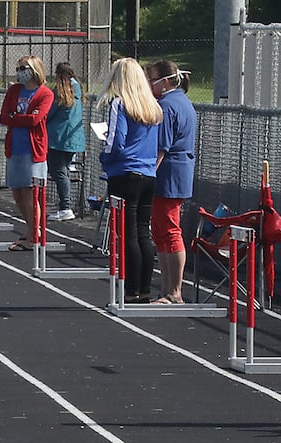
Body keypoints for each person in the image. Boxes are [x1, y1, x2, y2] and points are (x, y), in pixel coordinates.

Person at [99, 57, 163, 304]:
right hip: (148, 174)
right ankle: (144, 289)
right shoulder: (152, 106)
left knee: (127, 234)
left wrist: (104, 157)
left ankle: (131, 290)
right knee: (142, 233)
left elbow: (116, 141)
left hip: (125, 174)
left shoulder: (119, 104)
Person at [147, 59, 197, 304]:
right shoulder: (179, 102)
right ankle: (167, 289)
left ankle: (174, 291)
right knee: (161, 231)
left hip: (168, 174)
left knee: (169, 230)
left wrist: (147, 176)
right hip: (174, 173)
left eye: (151, 79)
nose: (148, 84)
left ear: (165, 81)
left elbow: (161, 148)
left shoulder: (167, 106)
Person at [0, 54, 53, 249]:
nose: (20, 72)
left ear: (34, 70)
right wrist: (20, 117)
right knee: (17, 192)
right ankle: (31, 228)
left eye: (24, 68)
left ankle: (33, 235)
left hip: (33, 150)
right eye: (19, 69)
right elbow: (5, 116)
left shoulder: (45, 93)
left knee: (31, 193)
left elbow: (34, 120)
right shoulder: (14, 90)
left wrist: (18, 117)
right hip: (14, 148)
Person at [45, 62, 84, 221]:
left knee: (59, 172)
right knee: (64, 171)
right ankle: (65, 205)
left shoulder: (60, 91)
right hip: (72, 139)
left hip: (58, 138)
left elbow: (49, 113)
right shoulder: (77, 89)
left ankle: (65, 206)